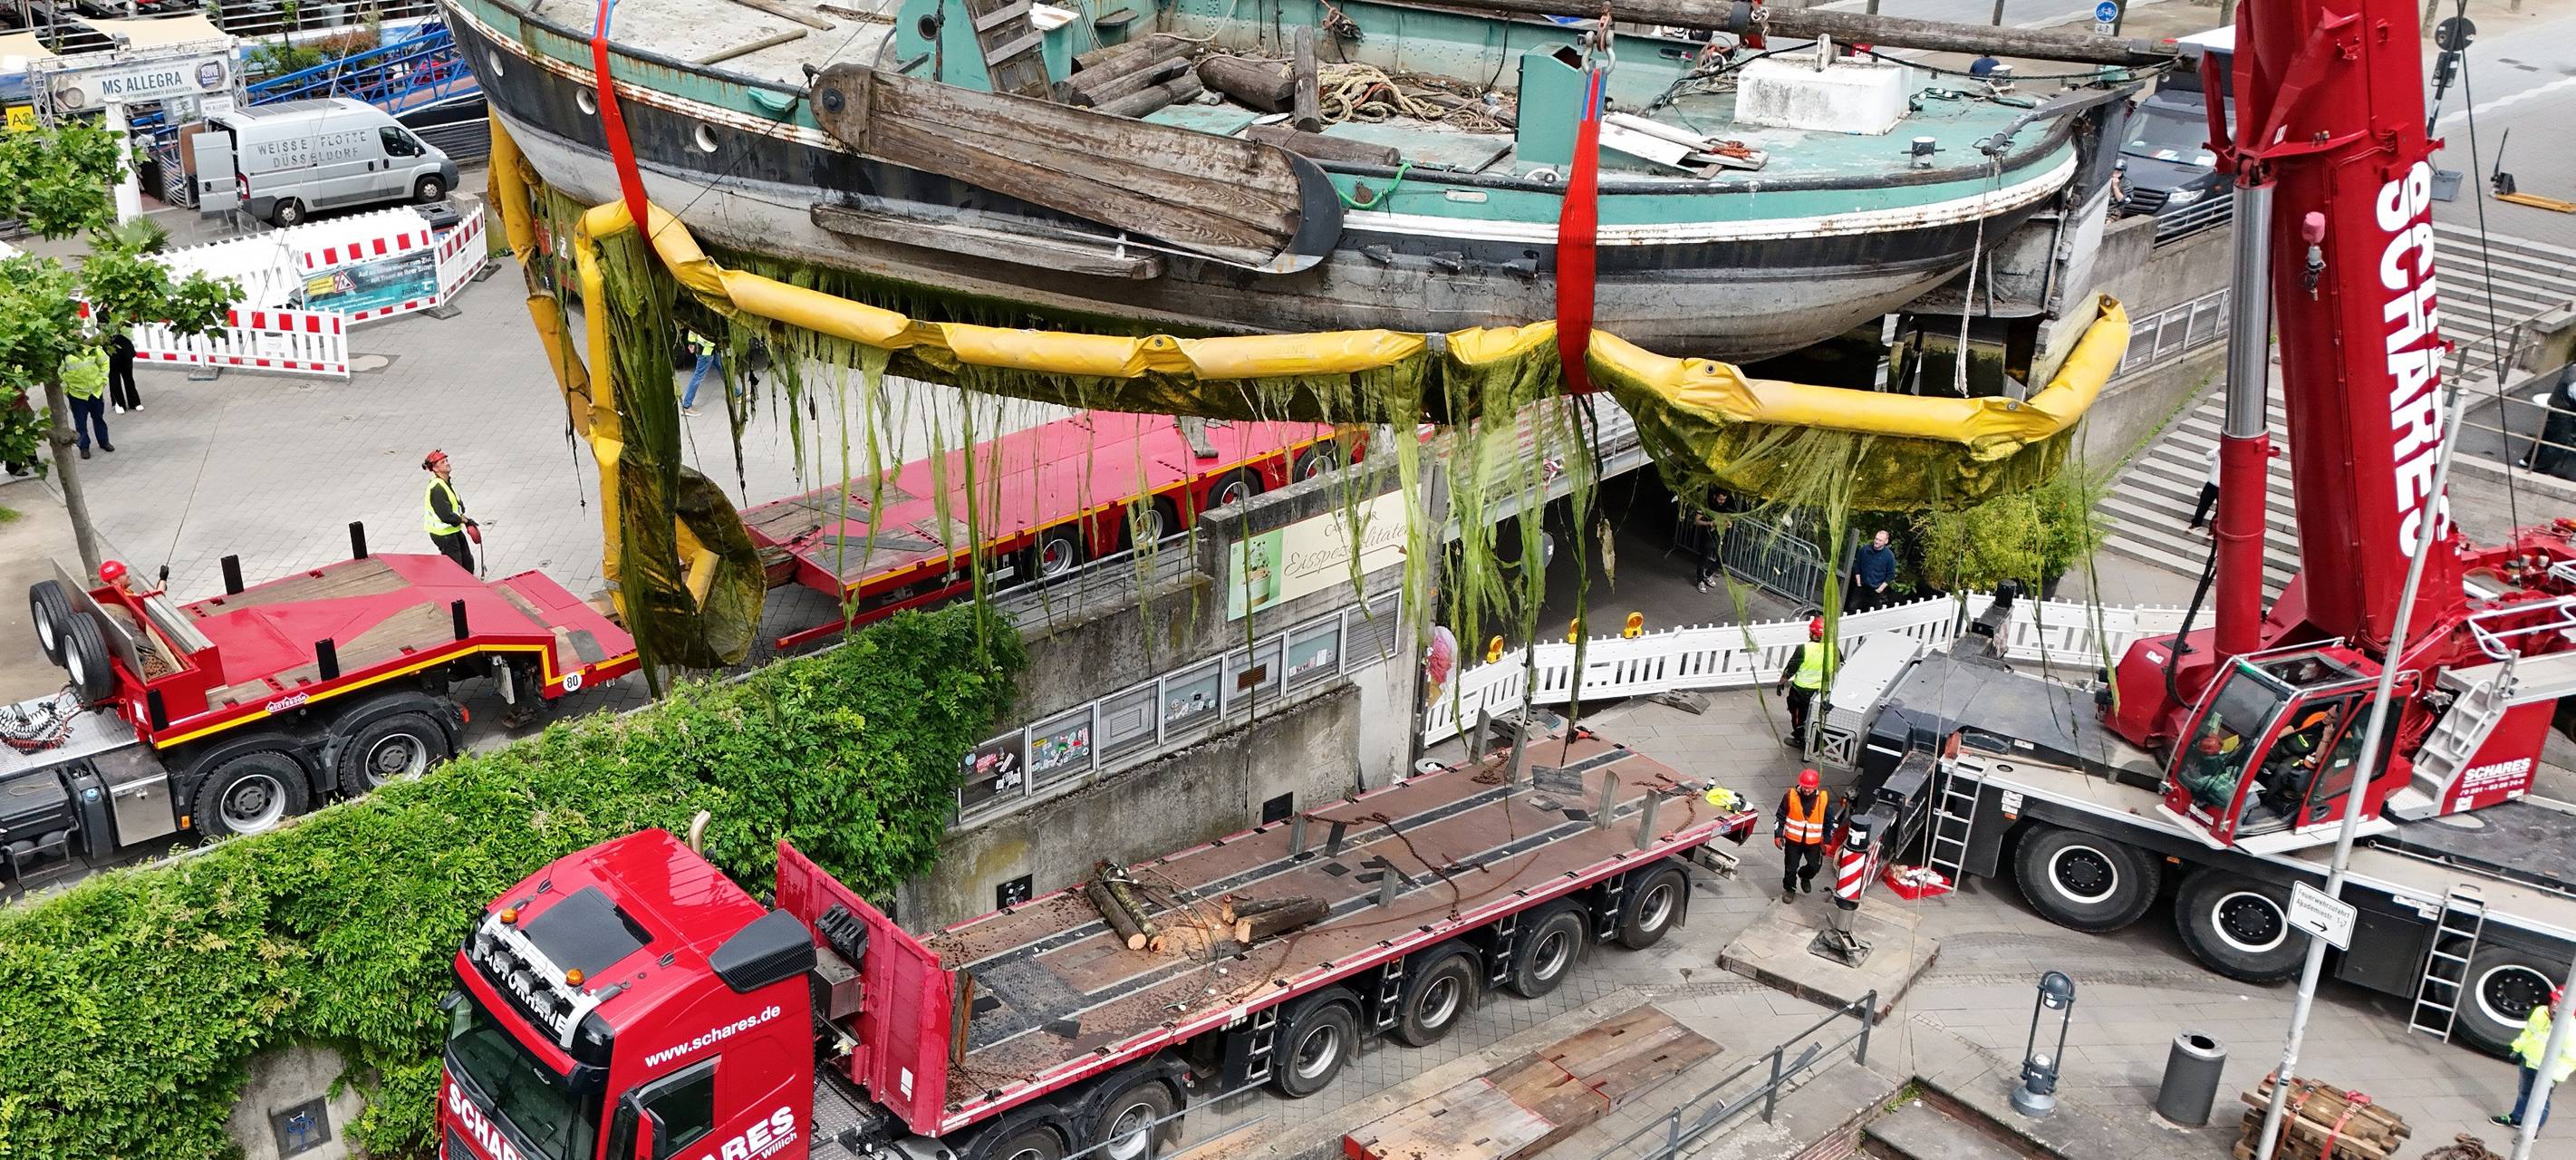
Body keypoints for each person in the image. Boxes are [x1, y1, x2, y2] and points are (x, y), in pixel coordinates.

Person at [2494, 988, 2576, 1130]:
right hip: (2528, 1062)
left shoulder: (2572, 1029)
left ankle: (2532, 1130)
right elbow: (2529, 1032)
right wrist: (2517, 1048)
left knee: (2541, 1101)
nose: (2555, 1006)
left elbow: (2571, 1058)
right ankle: (2517, 1118)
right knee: (2524, 1092)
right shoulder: (2540, 1012)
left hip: (2548, 1072)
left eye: (2560, 1004)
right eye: (2555, 1001)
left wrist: (2554, 1076)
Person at [1776, 616, 1836, 749]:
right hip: (1821, 691)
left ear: (1814, 635)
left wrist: (1781, 683)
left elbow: (1790, 669)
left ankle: (1800, 739)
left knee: (1798, 714)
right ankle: (1816, 737)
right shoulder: (1833, 649)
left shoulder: (1804, 648)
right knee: (1815, 716)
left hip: (1801, 690)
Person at [1774, 768, 1831, 904]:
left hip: (1813, 842)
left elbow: (1830, 821)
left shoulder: (1823, 799)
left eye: (1810, 788)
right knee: (1790, 868)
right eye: (1805, 787)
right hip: (1793, 841)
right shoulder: (1790, 796)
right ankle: (1790, 889)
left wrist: (1827, 841)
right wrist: (1778, 835)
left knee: (1814, 866)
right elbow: (1780, 817)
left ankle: (1804, 876)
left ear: (1816, 786)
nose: (1806, 790)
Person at [422, 450, 478, 574]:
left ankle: (468, 585)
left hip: (453, 530)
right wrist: (466, 521)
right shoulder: (437, 488)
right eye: (443, 462)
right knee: (455, 567)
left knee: (467, 562)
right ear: (436, 469)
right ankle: (457, 590)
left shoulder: (446, 483)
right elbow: (446, 516)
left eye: (446, 460)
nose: (447, 463)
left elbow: (456, 508)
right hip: (443, 534)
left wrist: (465, 519)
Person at [63, 347, 111, 459]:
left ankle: (104, 442)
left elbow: (105, 362)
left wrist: (103, 380)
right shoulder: (65, 352)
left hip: (95, 392)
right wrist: (67, 390)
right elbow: (60, 374)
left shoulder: (93, 348)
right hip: (77, 395)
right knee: (80, 423)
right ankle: (84, 447)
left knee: (99, 418)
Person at [1849, 530, 1896, 612]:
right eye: (1876, 539)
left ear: (1886, 541)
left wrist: (1880, 589)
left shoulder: (1889, 556)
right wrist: (1858, 582)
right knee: (1852, 609)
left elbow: (1891, 575)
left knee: (1869, 613)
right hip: (1861, 587)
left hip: (1875, 591)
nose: (1877, 541)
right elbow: (1857, 565)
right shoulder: (1865, 549)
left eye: (1880, 540)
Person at [681, 327, 721, 416]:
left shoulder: (697, 314)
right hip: (706, 350)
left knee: (723, 370)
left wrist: (691, 342)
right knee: (698, 377)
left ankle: (737, 394)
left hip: (707, 347)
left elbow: (692, 326)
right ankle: (686, 406)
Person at [2187, 443, 2221, 531]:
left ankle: (2213, 530)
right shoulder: (2221, 446)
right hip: (2212, 482)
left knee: (2220, 509)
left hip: (2225, 487)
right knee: (2203, 504)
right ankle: (2196, 523)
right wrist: (2217, 452)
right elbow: (2208, 456)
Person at [107, 333, 140, 414]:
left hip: (125, 354)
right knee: (115, 381)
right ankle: (119, 403)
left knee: (129, 379)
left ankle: (134, 402)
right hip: (111, 355)